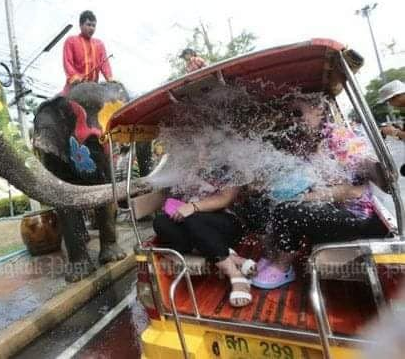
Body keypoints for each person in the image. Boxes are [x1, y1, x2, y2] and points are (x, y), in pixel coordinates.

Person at [251, 99, 390, 289]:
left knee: (286, 209)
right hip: (333, 209)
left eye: (298, 113)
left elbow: (350, 191)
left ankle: (283, 266)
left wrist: (299, 198)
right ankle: (272, 254)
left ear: (319, 109)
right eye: (291, 115)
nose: (294, 120)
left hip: (359, 219)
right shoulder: (306, 140)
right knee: (263, 201)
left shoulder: (339, 138)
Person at [153, 175, 256, 308]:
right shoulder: (183, 163)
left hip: (226, 221)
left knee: (192, 219)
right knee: (161, 222)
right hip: (192, 222)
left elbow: (226, 198)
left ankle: (236, 275)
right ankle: (231, 257)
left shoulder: (229, 163)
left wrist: (194, 206)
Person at [61, 10, 113, 95]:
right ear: (80, 25)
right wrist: (74, 77)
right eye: (88, 25)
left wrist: (110, 78)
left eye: (94, 25)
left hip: (93, 90)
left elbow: (105, 64)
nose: (91, 28)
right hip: (74, 88)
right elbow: (67, 63)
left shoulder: (99, 44)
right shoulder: (71, 41)